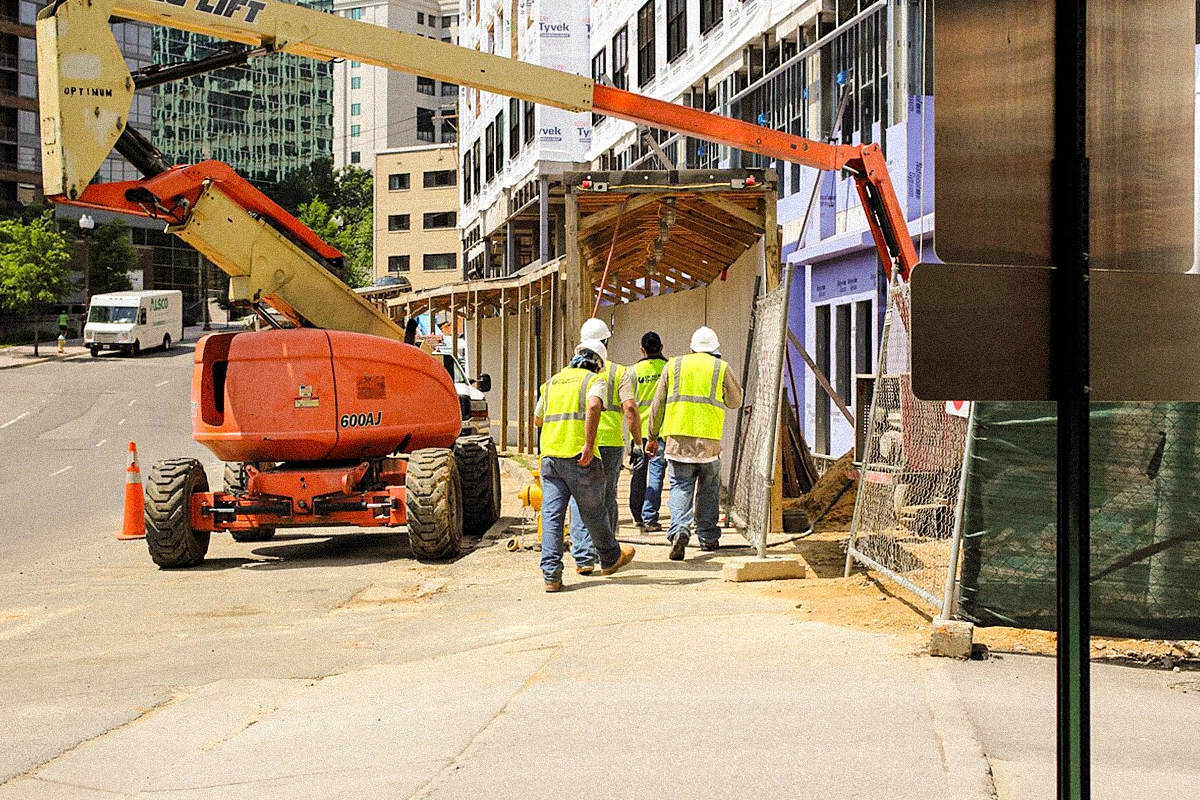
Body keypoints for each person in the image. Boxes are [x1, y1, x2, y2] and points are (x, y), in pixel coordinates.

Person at [533, 339, 636, 592]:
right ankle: (610, 557)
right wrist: (589, 444)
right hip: (579, 457)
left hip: (551, 457)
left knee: (552, 515)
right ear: (597, 363)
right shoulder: (593, 380)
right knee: (594, 511)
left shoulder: (552, 382)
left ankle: (551, 576)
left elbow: (537, 419)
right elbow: (593, 405)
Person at [647, 326, 743, 561]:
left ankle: (680, 529)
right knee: (708, 491)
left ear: (691, 348)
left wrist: (651, 436)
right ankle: (707, 537)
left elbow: (657, 404)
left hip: (678, 441)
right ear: (715, 348)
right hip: (708, 443)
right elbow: (735, 401)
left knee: (680, 487)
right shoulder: (720, 367)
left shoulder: (674, 365)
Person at [566, 318, 642, 572]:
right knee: (607, 497)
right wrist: (637, 442)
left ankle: (583, 556)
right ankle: (606, 553)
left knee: (580, 498)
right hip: (610, 443)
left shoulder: (570, 372)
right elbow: (630, 408)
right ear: (606, 343)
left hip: (580, 441)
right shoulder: (618, 372)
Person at [629, 331, 667, 531]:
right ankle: (650, 516)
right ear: (661, 348)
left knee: (638, 473)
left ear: (642, 350)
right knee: (657, 473)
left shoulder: (633, 372)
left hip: (639, 432)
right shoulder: (668, 368)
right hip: (662, 431)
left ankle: (637, 515)